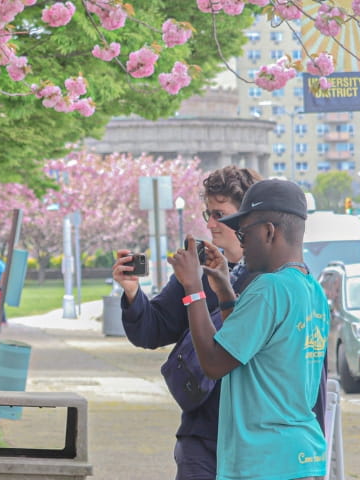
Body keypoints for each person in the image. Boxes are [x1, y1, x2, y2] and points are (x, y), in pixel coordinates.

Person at [168, 179, 329, 480]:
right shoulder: (311, 290)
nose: (240, 242)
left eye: (244, 232)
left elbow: (214, 363)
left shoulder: (268, 288)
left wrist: (192, 288)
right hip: (301, 455)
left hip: (263, 461)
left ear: (269, 232)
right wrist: (225, 292)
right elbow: (247, 345)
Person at [112, 166, 261, 479]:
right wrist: (132, 292)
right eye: (208, 213)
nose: (209, 223)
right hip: (202, 433)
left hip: (256, 435)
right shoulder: (199, 269)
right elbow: (152, 329)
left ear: (246, 216)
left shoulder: (271, 279)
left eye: (219, 214)